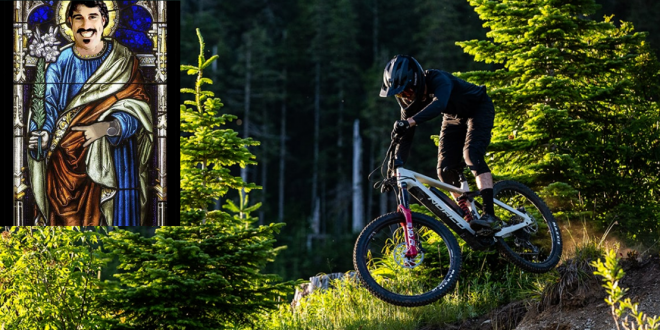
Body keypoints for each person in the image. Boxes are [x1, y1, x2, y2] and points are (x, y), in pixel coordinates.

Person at [27, 1, 153, 226]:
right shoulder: (58, 61)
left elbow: (139, 110)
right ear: (69, 23)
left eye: (93, 17)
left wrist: (107, 128)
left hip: (111, 158)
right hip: (63, 163)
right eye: (78, 18)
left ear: (104, 20)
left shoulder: (123, 61)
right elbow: (48, 104)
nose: (86, 25)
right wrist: (45, 134)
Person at [380, 54, 500, 236]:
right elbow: (406, 138)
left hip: (478, 107)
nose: (405, 96)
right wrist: (395, 166)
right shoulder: (409, 105)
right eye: (400, 94)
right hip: (453, 117)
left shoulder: (438, 79)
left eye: (406, 91)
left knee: (471, 155)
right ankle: (470, 218)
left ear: (416, 80)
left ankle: (489, 216)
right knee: (444, 171)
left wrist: (410, 121)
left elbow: (439, 104)